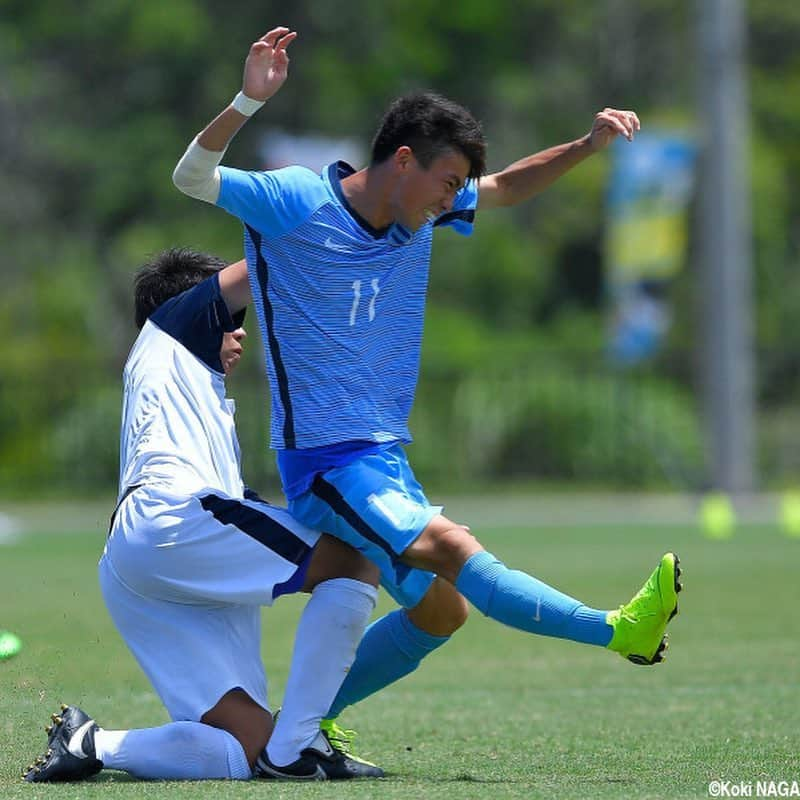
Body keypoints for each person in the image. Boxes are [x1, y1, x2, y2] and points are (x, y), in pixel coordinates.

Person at [172, 27, 682, 751]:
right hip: (326, 462)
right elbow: (191, 178)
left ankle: (299, 727)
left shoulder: (421, 214)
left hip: (381, 458)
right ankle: (620, 631)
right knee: (451, 546)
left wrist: (586, 145)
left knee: (442, 613)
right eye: (446, 182)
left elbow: (504, 186)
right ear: (402, 159)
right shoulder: (294, 202)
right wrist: (246, 103)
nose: (453, 199)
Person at [22, 248, 385, 783]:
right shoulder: (170, 333)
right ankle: (301, 745)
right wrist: (347, 229)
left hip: (139, 560)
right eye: (231, 320)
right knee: (357, 563)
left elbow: (236, 504)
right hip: (173, 523)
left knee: (243, 749)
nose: (240, 334)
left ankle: (90, 743)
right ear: (193, 311)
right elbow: (263, 264)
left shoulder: (190, 387)